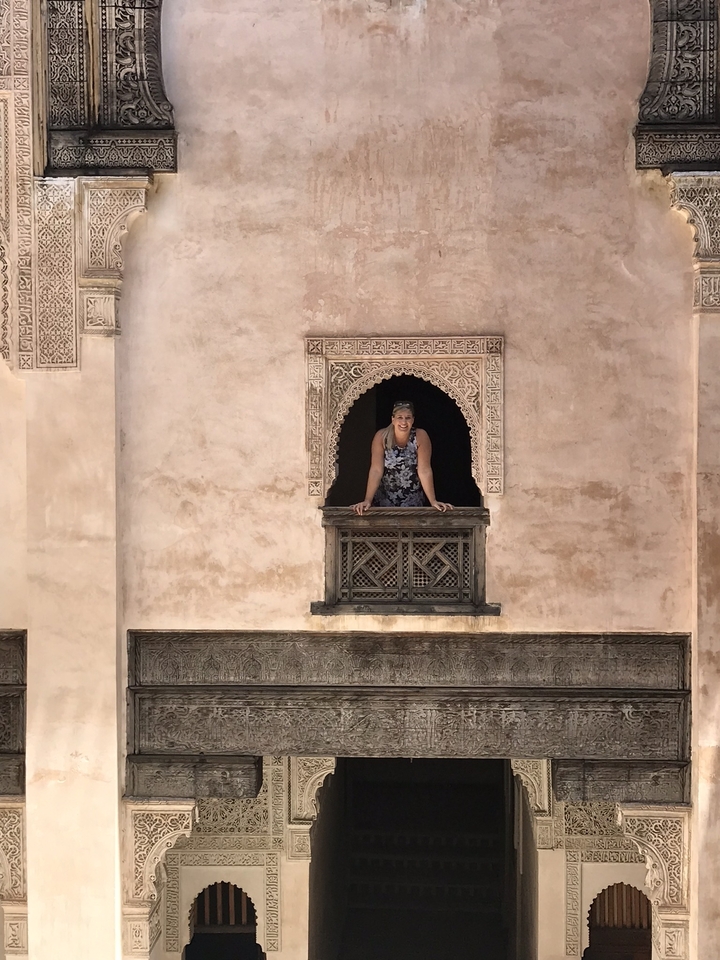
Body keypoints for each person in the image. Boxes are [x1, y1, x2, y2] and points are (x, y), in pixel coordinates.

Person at [352, 401, 453, 514]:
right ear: (393, 419)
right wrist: (367, 500)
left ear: (413, 420)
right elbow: (376, 470)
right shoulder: (382, 437)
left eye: (408, 418)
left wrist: (433, 501)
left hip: (412, 502)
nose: (404, 422)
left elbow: (424, 470)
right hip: (384, 501)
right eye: (400, 417)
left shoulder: (420, 436)